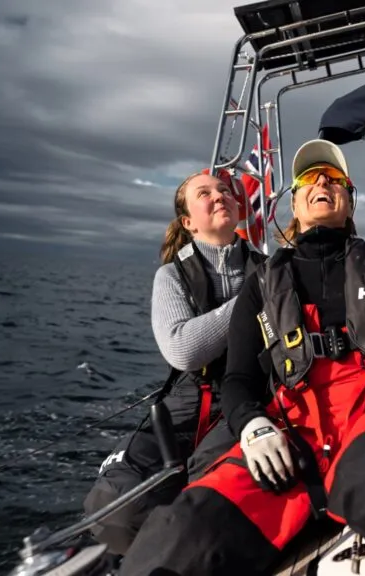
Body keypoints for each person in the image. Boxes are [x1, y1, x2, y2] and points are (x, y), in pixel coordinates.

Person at [118, 139, 365, 576]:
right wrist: (252, 424)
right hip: (290, 434)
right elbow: (240, 377)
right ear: (294, 205)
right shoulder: (262, 283)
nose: (322, 181)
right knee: (185, 532)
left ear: (348, 202)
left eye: (334, 178)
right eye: (308, 179)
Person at [82, 170, 266, 557]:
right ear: (187, 222)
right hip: (186, 402)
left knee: (209, 502)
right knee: (115, 507)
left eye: (225, 191)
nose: (219, 196)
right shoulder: (172, 276)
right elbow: (184, 351)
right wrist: (251, 299)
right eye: (205, 193)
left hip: (251, 399)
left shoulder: (272, 267)